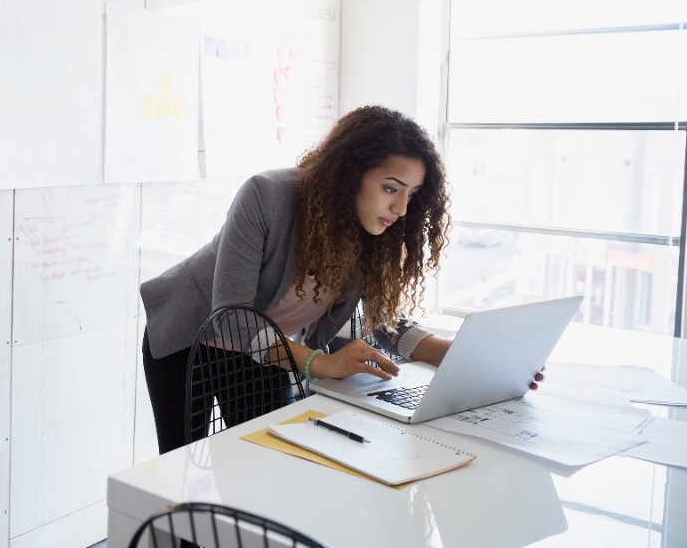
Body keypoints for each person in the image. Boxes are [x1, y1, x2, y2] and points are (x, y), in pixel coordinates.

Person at [141, 105, 535, 453]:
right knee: (181, 480)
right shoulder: (267, 194)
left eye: (411, 194)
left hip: (264, 348)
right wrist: (320, 363)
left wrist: (466, 358)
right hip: (188, 338)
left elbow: (384, 321)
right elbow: (230, 316)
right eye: (390, 188)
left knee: (272, 467)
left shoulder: (373, 229)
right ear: (350, 174)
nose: (400, 208)